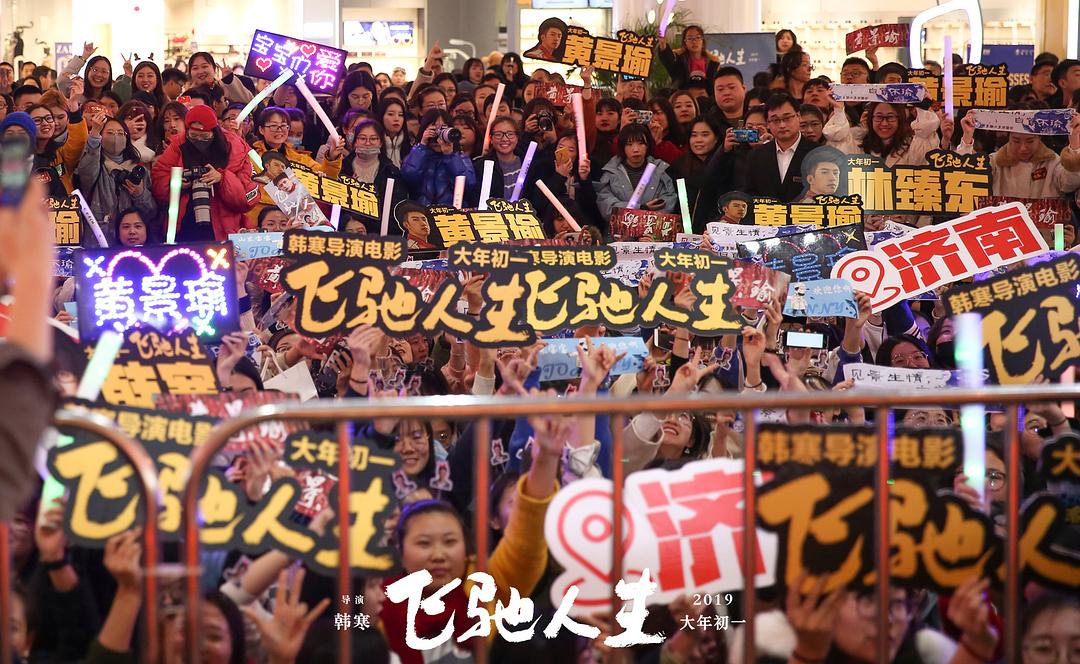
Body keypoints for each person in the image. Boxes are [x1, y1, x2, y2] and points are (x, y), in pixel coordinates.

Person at [151, 104, 259, 240]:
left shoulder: (235, 148)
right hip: (185, 224)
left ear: (214, 131)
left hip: (224, 227)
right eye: (193, 136)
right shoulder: (179, 145)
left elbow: (245, 200)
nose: (199, 140)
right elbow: (158, 179)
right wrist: (177, 183)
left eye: (204, 136)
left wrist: (222, 178)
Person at [76, 108, 157, 242]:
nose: (115, 137)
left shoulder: (139, 170)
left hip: (133, 244)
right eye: (110, 133)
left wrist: (140, 194)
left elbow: (151, 212)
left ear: (126, 138)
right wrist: (94, 133)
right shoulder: (95, 167)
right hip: (100, 242)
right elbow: (87, 171)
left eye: (120, 133)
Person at [736, 93, 817, 201]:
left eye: (787, 118)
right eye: (775, 120)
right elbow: (749, 193)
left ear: (798, 116)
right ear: (768, 123)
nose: (782, 125)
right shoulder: (756, 156)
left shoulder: (817, 153)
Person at [595, 122, 677, 218]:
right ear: (622, 147)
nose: (636, 149)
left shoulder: (659, 170)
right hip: (621, 227)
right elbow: (606, 205)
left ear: (647, 145)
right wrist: (641, 208)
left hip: (652, 226)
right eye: (629, 144)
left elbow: (669, 200)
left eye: (640, 143)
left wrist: (646, 218)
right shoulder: (611, 172)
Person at [400, 109, 477, 205]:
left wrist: (450, 156)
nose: (438, 137)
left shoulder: (460, 157)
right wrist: (422, 146)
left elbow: (468, 185)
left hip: (451, 211)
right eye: (434, 130)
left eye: (442, 130)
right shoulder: (417, 153)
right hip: (421, 211)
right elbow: (408, 178)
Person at [657, 25, 721, 91]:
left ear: (703, 41)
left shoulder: (713, 63)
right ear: (685, 43)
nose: (694, 41)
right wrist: (663, 44)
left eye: (698, 37)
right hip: (683, 96)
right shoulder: (679, 61)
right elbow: (668, 59)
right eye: (690, 38)